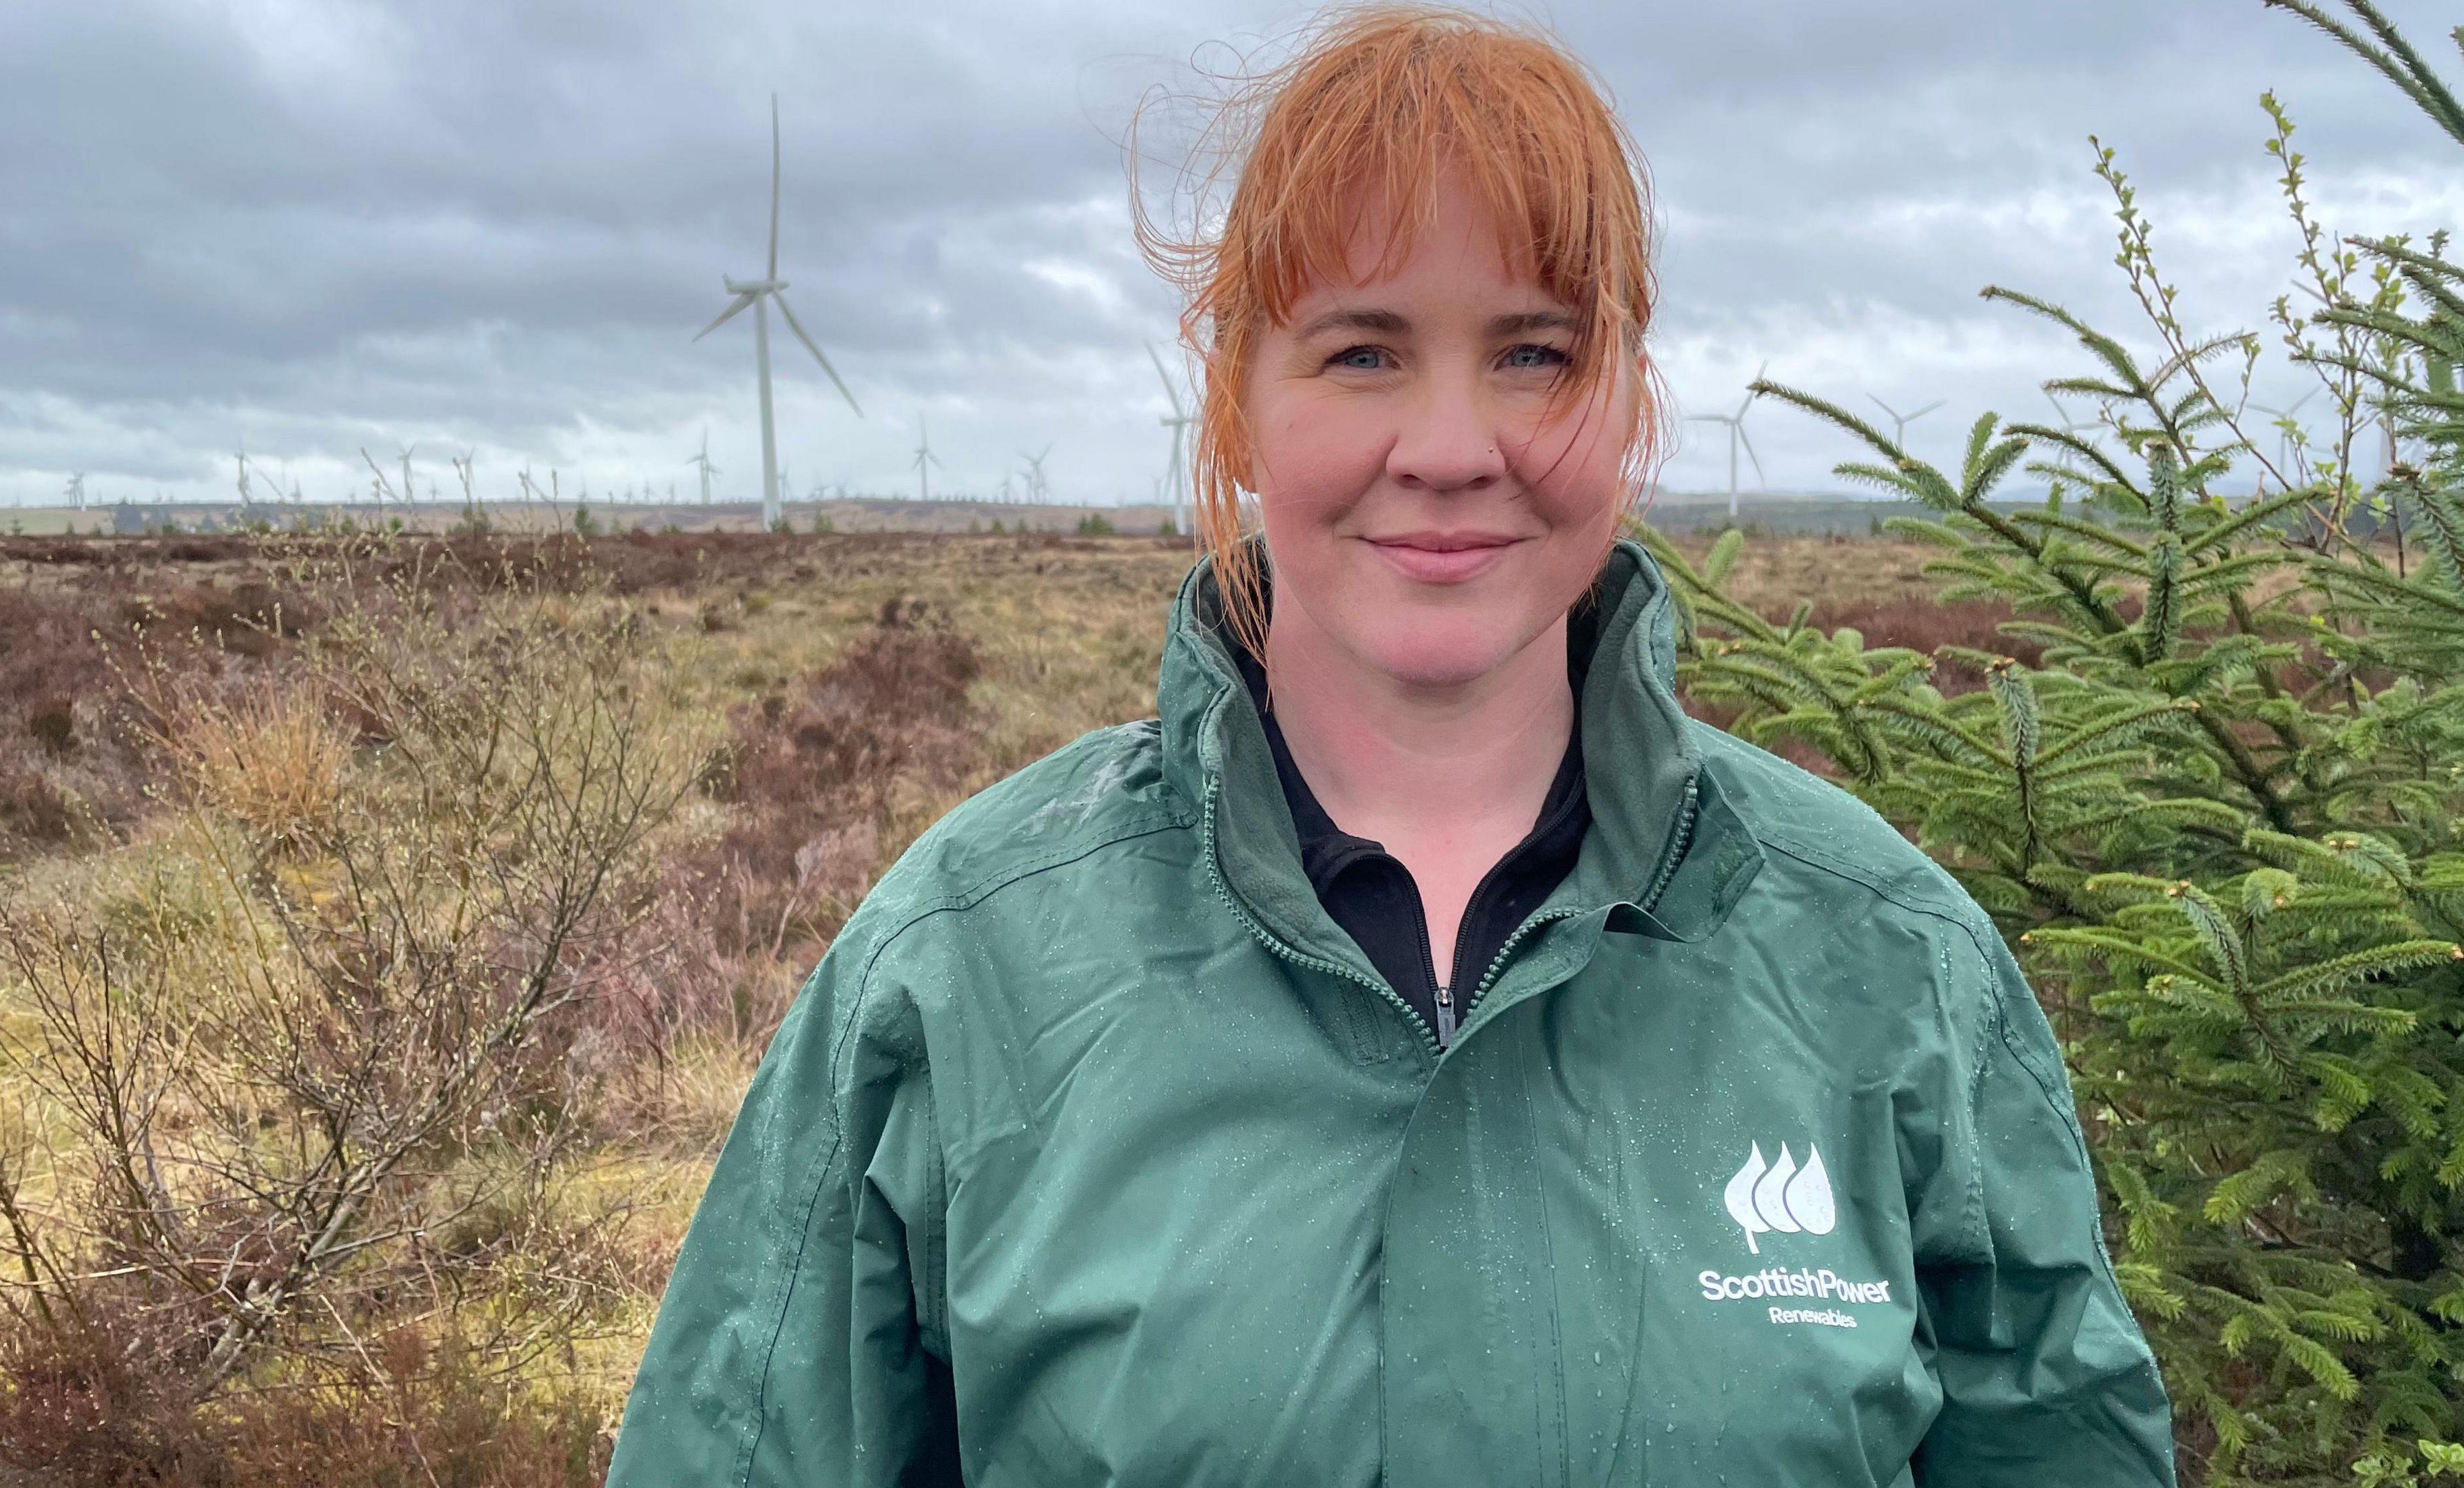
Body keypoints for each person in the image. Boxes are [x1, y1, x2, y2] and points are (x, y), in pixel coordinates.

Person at [606, 7, 2177, 1485]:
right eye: (1363, 352)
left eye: (1535, 354)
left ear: (1628, 399)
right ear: (1234, 405)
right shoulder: (960, 972)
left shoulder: (1888, 967)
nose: (1448, 449)